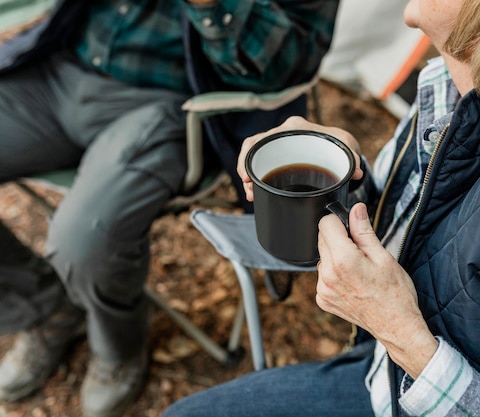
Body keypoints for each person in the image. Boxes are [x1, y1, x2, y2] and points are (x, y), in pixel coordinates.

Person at [160, 0, 480, 416]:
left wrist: (400, 333)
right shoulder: (455, 78)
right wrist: (345, 179)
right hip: (385, 371)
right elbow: (425, 228)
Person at [0, 1, 339, 416]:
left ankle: (117, 346)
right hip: (61, 66)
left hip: (169, 101)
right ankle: (43, 308)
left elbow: (289, 65)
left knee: (83, 241)